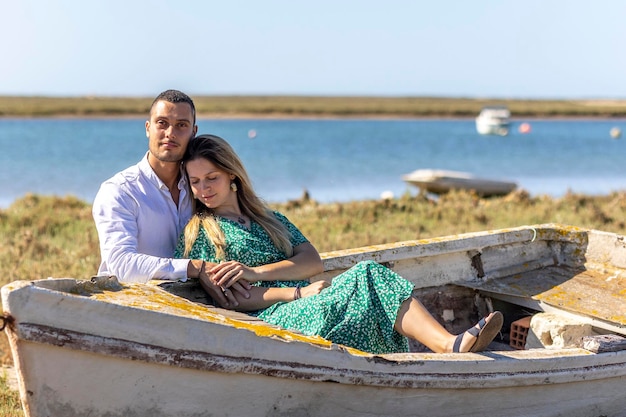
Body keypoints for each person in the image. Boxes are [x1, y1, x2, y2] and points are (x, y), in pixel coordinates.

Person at [174, 134, 503, 355]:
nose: (204, 188)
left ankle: (447, 346)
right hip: (272, 316)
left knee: (369, 279)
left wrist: (255, 270)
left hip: (308, 300)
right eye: (195, 182)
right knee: (368, 277)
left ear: (232, 175)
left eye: (211, 178)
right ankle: (448, 346)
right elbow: (234, 299)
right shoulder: (202, 234)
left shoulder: (268, 218)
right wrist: (297, 292)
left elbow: (311, 260)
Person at [92, 90, 250, 306]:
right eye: (162, 123)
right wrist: (195, 267)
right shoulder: (120, 191)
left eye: (181, 125)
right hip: (131, 306)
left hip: (197, 304)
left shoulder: (201, 186)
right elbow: (121, 264)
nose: (170, 133)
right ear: (148, 128)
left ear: (193, 132)